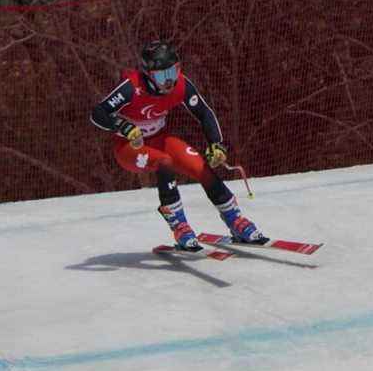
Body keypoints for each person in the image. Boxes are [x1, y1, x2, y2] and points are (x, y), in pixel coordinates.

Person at [90, 40, 267, 250]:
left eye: (173, 73)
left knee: (200, 166)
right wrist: (123, 127)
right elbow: (98, 113)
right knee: (164, 162)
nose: (169, 82)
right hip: (129, 149)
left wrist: (217, 145)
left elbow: (204, 113)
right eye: (162, 76)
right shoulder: (131, 88)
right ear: (148, 74)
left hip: (160, 140)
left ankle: (235, 220)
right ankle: (179, 225)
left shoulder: (181, 85)